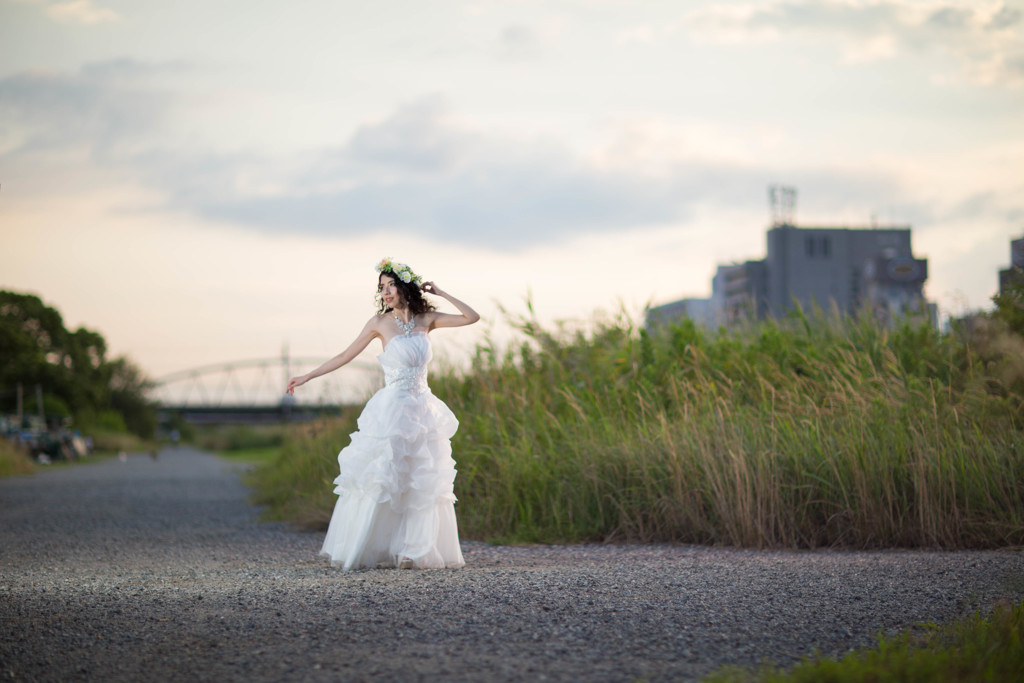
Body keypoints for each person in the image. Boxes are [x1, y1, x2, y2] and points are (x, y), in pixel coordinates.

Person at [286, 258, 480, 570]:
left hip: (423, 410)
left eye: (391, 285)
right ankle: (375, 545)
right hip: (392, 410)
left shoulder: (426, 319)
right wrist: (307, 376)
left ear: (405, 286)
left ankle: (412, 550)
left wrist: (441, 292)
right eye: (382, 288)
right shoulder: (379, 322)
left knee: (422, 482)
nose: (386, 292)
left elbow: (472, 317)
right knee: (386, 478)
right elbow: (345, 355)